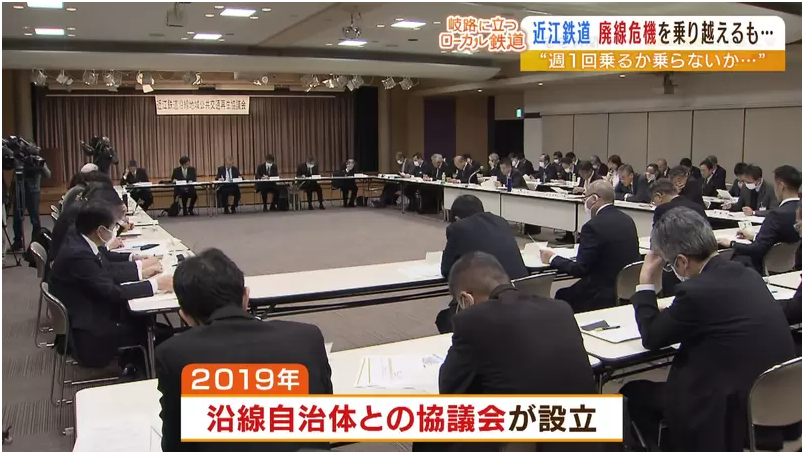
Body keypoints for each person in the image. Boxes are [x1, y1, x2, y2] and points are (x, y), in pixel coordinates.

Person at [621, 207, 795, 451]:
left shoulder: (695, 293)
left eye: (670, 265)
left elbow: (651, 336)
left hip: (726, 412)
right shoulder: (747, 274)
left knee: (631, 392)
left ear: (682, 262)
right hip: (776, 404)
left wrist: (645, 282)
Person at [155, 248, 332, 452]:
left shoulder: (175, 354)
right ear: (246, 297)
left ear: (184, 315)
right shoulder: (307, 337)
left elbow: (176, 445)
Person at [423, 251, 597, 452]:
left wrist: (469, 313)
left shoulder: (472, 320)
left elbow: (449, 390)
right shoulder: (561, 308)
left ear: (464, 299)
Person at [48, 201, 173, 369]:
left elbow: (105, 269)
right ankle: (139, 366)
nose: (115, 230)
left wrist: (140, 271)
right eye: (112, 226)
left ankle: (135, 362)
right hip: (90, 333)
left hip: (90, 312)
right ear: (100, 230)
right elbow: (112, 292)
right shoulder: (79, 255)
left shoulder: (79, 239)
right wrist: (155, 285)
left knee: (147, 321)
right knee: (156, 331)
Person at [539, 180, 640, 312]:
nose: (584, 202)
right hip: (626, 289)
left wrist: (552, 258)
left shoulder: (592, 227)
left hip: (600, 293)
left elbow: (580, 269)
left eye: (585, 197)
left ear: (594, 199)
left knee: (561, 294)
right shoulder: (628, 220)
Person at [435, 195, 528, 334]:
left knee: (443, 319)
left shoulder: (458, 228)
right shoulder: (501, 222)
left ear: (456, 218)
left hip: (491, 307)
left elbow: (446, 270)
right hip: (523, 298)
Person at [720, 165, 801, 272]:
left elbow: (757, 249)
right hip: (791, 264)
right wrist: (753, 236)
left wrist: (732, 243)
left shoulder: (776, 215)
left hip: (764, 265)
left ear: (781, 186)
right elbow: (778, 239)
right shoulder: (798, 210)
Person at [9, 151, 51, 253]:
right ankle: (18, 241)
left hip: (33, 192)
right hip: (20, 191)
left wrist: (40, 166)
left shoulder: (37, 160)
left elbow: (48, 174)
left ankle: (35, 242)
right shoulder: (20, 159)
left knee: (34, 219)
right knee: (17, 218)